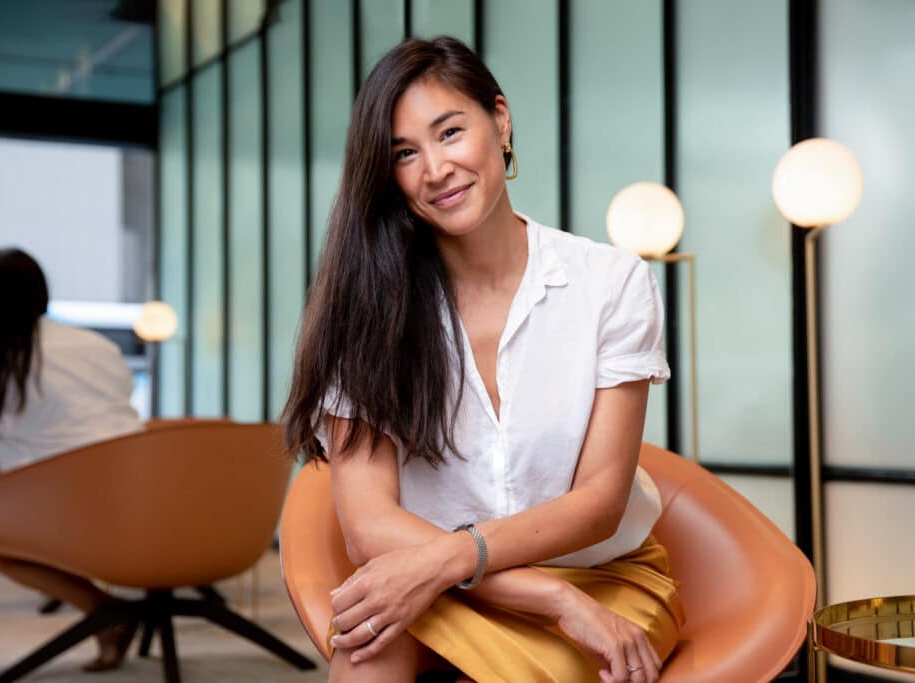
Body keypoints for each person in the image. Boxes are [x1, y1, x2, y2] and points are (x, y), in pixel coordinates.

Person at [282, 36, 683, 683]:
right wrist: (548, 597)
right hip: (450, 580)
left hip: (600, 576)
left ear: (499, 121)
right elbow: (368, 527)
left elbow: (601, 500)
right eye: (405, 153)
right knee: (365, 644)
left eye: (449, 132)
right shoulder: (367, 309)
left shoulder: (610, 281)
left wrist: (545, 583)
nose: (435, 168)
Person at [0, 247, 143, 671]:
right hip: (146, 504)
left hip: (71, 515)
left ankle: (102, 609)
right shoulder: (96, 345)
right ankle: (106, 615)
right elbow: (83, 429)